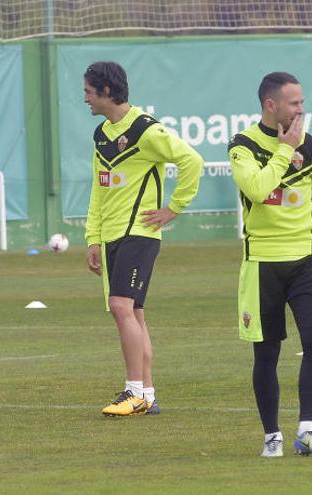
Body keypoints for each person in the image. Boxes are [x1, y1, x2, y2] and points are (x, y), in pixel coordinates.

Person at [228, 72, 312, 458]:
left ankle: (308, 429)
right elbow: (257, 190)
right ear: (270, 105)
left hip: (308, 261)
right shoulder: (242, 145)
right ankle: (271, 435)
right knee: (267, 353)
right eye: (294, 103)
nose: (301, 109)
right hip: (261, 264)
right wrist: (283, 150)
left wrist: (308, 233)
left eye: (302, 102)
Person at [83, 61, 203, 418]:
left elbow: (191, 161)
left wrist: (174, 208)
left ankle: (132, 391)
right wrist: (93, 238)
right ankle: (147, 394)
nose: (85, 98)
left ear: (106, 91)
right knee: (134, 312)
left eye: (89, 91)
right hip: (112, 235)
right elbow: (98, 189)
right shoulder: (102, 134)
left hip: (140, 232)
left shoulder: (145, 130)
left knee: (121, 307)